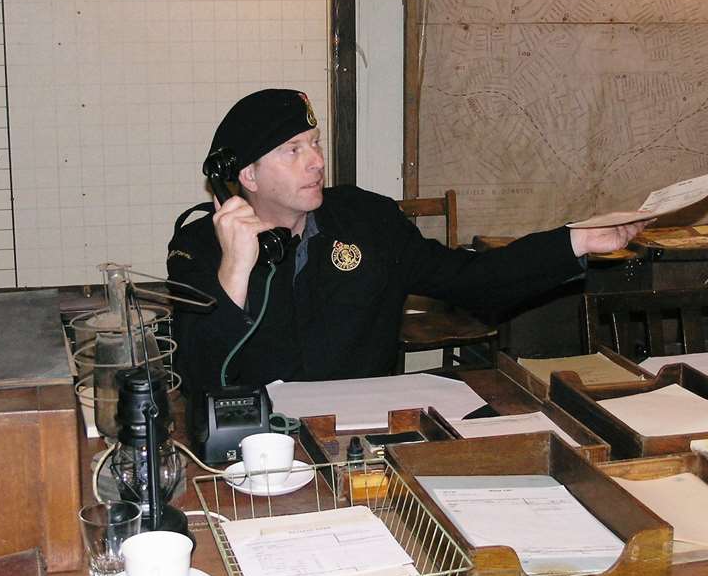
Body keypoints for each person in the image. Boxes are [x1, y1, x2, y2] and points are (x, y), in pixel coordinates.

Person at [166, 88, 648, 406]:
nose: (316, 162)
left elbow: (472, 279)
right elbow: (198, 373)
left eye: (314, 144)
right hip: (258, 442)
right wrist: (234, 268)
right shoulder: (198, 245)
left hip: (364, 431)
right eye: (293, 150)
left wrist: (576, 240)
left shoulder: (367, 220)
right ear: (246, 176)